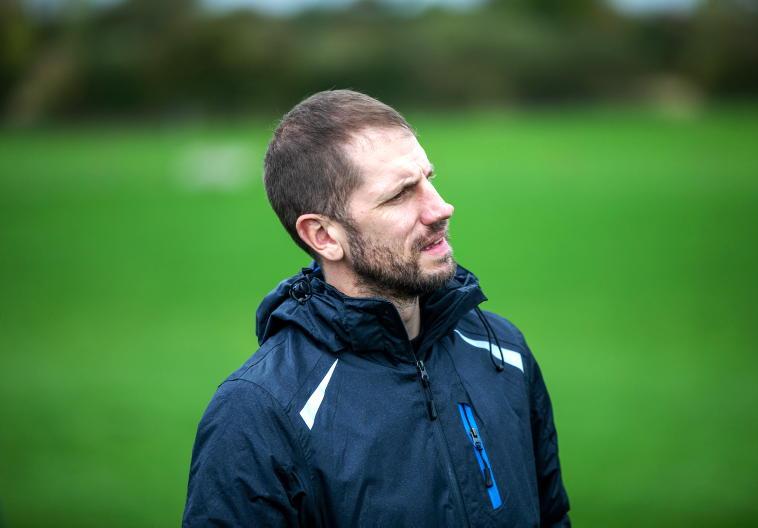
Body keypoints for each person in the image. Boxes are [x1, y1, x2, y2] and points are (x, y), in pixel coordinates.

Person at [182, 89, 571, 527]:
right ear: (324, 236)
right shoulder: (257, 414)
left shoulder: (503, 352)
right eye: (400, 194)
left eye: (428, 178)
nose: (441, 208)